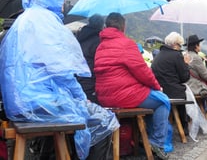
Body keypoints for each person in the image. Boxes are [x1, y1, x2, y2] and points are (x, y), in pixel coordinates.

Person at [0, 0, 119, 159]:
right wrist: (81, 99)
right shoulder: (45, 21)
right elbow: (61, 71)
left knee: (72, 108)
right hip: (37, 104)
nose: (63, 4)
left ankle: (46, 155)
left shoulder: (23, 21)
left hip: (18, 104)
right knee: (104, 120)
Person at [94, 12, 171, 160]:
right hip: (124, 95)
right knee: (163, 101)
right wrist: (156, 87)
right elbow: (143, 71)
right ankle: (157, 143)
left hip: (104, 97)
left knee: (153, 101)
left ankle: (147, 140)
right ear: (123, 26)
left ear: (106, 26)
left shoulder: (101, 46)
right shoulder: (127, 44)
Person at [151, 32, 190, 135]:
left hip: (159, 92)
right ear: (175, 44)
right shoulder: (176, 55)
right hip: (173, 93)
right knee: (182, 91)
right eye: (180, 45)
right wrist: (186, 64)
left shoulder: (158, 56)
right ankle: (184, 127)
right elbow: (184, 78)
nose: (180, 48)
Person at [76, 14, 104, 105]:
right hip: (91, 83)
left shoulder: (79, 39)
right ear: (101, 26)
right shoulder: (99, 41)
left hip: (77, 82)